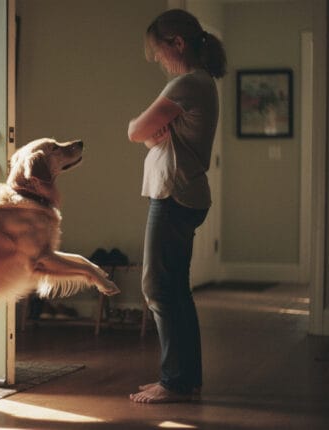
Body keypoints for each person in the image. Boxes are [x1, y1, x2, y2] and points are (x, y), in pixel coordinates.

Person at [126, 9, 226, 404]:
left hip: (174, 194)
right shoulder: (199, 83)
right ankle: (184, 378)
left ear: (177, 43)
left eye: (161, 52)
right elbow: (154, 138)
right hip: (184, 191)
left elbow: (136, 131)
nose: (160, 61)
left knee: (158, 287)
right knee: (175, 289)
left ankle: (174, 380)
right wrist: (154, 138)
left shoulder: (187, 84)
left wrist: (145, 133)